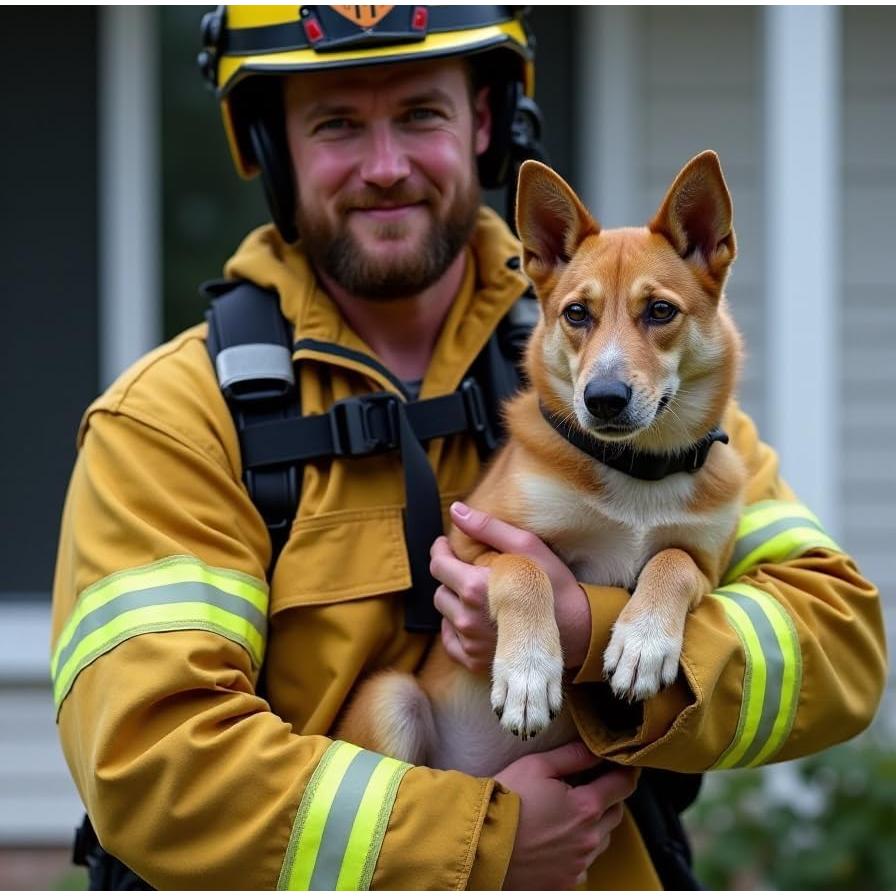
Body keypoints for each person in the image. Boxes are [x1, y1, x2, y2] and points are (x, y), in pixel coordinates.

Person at [51, 6, 886, 890]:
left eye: (421, 113)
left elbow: (840, 651)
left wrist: (589, 635)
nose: (384, 166)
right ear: (274, 143)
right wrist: (478, 842)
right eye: (336, 123)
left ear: (483, 123)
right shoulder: (173, 421)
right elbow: (151, 768)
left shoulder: (635, 402)